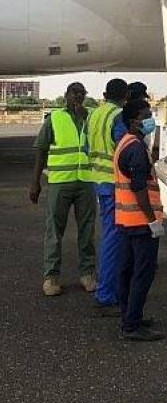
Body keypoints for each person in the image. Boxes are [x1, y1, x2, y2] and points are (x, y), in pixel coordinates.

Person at [29, 82, 96, 296]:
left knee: (87, 230)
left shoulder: (91, 117)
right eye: (74, 93)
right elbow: (41, 149)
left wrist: (87, 118)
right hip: (60, 182)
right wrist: (35, 182)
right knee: (54, 231)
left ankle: (87, 273)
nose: (78, 96)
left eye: (81, 93)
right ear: (66, 95)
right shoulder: (55, 118)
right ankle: (51, 277)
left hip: (86, 182)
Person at [114, 99, 165, 341]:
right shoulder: (135, 148)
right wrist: (152, 221)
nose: (150, 119)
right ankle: (132, 325)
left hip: (126, 220)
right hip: (140, 222)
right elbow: (139, 188)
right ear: (134, 121)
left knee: (126, 271)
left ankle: (129, 316)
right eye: (146, 116)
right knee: (142, 273)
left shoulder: (127, 142)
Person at [87, 77, 129, 314]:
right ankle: (106, 294)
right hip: (115, 184)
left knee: (110, 235)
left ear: (105, 94)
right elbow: (125, 149)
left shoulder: (94, 114)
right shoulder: (118, 116)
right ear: (126, 96)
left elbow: (87, 146)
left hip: (99, 181)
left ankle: (108, 289)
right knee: (113, 239)